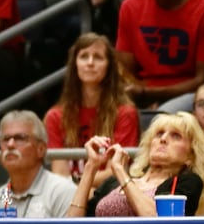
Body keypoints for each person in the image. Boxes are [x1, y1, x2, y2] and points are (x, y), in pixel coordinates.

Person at [66, 112, 204, 218]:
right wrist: (91, 167)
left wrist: (119, 169)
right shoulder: (113, 183)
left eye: (175, 136)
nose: (163, 139)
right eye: (159, 134)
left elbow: (156, 220)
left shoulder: (187, 182)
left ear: (190, 156)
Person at [42, 33, 139, 180]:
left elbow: (115, 172)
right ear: (75, 64)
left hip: (107, 194)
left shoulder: (125, 113)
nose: (90, 63)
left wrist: (81, 186)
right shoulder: (55, 116)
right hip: (69, 194)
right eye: (84, 56)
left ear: (109, 66)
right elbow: (60, 174)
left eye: (98, 57)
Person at [0, 110, 76, 218]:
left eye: (20, 138)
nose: (10, 144)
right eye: (6, 139)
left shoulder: (63, 193)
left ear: (41, 149)